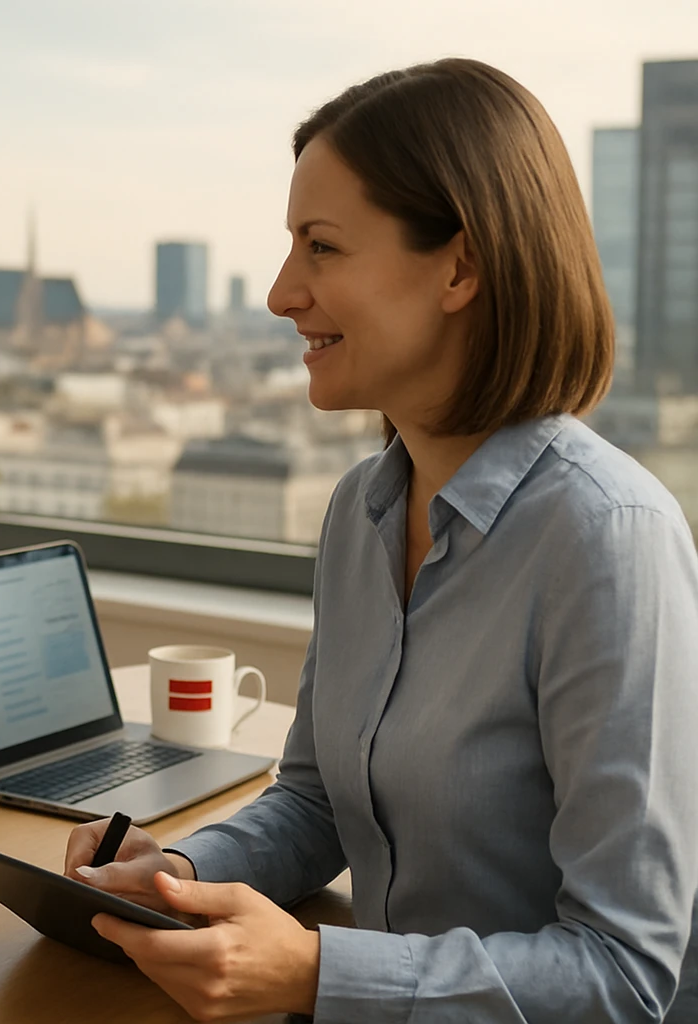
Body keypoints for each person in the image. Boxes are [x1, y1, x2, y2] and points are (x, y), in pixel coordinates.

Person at [65, 58, 698, 1022]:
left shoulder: (608, 539)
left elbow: (625, 973)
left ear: (461, 266)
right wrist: (181, 873)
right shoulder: (361, 510)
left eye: (321, 247)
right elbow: (320, 804)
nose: (281, 293)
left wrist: (322, 974)